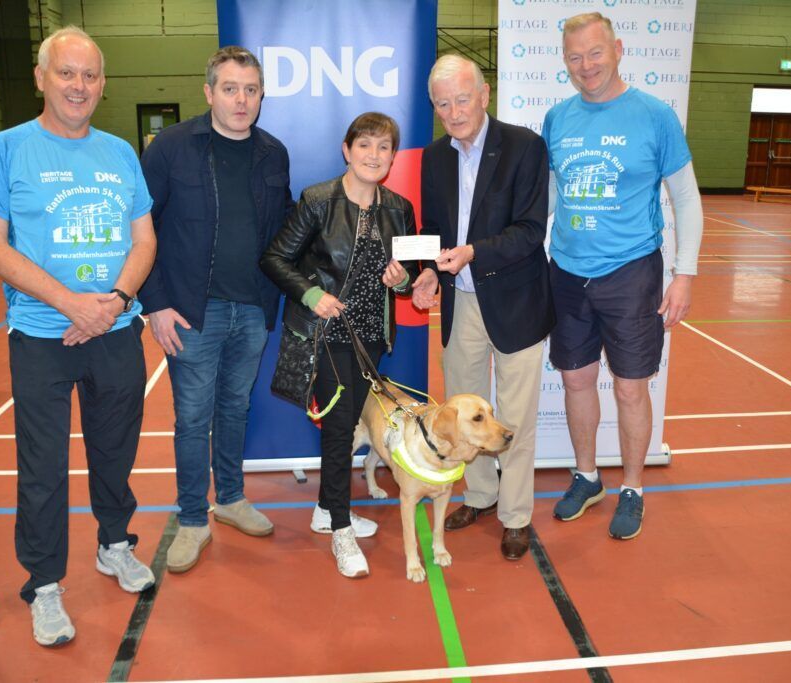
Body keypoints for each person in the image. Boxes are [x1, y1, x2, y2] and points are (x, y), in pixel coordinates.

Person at [0, 26, 157, 647]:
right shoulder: (6, 148)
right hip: (42, 335)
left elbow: (144, 240)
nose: (79, 86)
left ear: (103, 84)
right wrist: (70, 304)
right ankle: (45, 583)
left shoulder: (120, 153)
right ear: (42, 77)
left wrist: (115, 302)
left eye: (90, 75)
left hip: (115, 329)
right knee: (42, 467)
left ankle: (114, 544)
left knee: (115, 451)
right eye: (67, 73)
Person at [543, 12, 703, 539]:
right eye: (574, 57)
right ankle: (587, 476)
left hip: (631, 272)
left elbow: (685, 198)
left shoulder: (655, 116)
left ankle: (632, 486)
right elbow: (548, 197)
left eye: (594, 53)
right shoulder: (557, 118)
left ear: (617, 48)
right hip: (566, 271)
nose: (585, 66)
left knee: (632, 390)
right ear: (564, 60)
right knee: (575, 379)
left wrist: (684, 274)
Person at [138, 47, 294, 574]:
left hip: (252, 308)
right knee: (192, 418)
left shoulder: (273, 153)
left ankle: (229, 498)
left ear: (261, 96)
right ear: (209, 92)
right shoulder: (171, 148)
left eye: (251, 90)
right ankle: (190, 519)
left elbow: (287, 229)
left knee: (235, 409)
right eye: (230, 88)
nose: (241, 100)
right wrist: (154, 304)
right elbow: (142, 232)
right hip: (190, 312)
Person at [261, 112, 419, 578]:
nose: (374, 155)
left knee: (348, 425)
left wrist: (403, 279)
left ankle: (325, 510)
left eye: (384, 147)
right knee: (338, 430)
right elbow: (273, 258)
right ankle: (341, 530)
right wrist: (312, 295)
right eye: (364, 145)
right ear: (347, 150)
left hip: (371, 336)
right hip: (326, 334)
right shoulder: (317, 201)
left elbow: (407, 279)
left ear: (392, 156)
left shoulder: (398, 208)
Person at [410, 55, 553, 561]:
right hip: (460, 303)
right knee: (463, 416)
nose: (454, 111)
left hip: (516, 301)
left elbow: (531, 231)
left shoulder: (525, 146)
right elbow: (434, 234)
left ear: (485, 94)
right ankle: (480, 495)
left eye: (462, 98)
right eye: (443, 103)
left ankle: (515, 517)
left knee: (513, 419)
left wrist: (472, 252)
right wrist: (429, 270)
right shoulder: (434, 158)